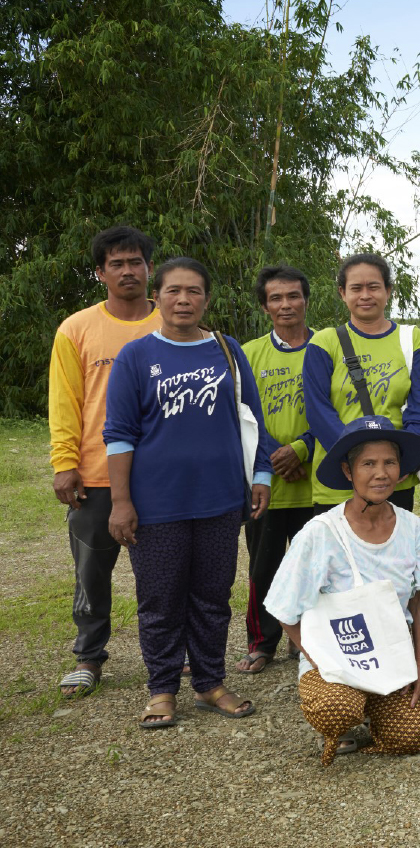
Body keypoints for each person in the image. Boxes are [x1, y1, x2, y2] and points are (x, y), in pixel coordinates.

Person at [102, 257, 272, 729]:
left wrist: (262, 476)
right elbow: (118, 433)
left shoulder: (227, 350)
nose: (183, 300)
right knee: (160, 598)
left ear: (206, 299)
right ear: (157, 297)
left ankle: (210, 682)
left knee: (213, 596)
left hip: (220, 501)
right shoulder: (136, 357)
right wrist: (121, 501)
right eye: (174, 291)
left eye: (193, 291)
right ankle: (161, 690)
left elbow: (252, 420)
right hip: (158, 505)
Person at [265, 416, 420, 765]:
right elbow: (283, 608)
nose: (381, 473)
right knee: (336, 708)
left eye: (390, 462)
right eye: (368, 464)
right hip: (336, 657)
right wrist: (323, 662)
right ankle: (343, 716)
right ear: (348, 471)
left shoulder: (412, 527)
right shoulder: (321, 533)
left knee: (413, 734)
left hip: (389, 658)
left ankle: (374, 709)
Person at [49, 225, 160, 699]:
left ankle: (169, 653)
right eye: (117, 263)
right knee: (92, 571)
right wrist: (64, 462)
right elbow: (65, 401)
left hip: (160, 476)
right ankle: (89, 656)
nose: (128, 271)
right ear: (100, 273)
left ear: (150, 268)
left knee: (161, 571)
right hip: (95, 475)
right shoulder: (76, 329)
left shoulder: (173, 324)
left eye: (136, 261)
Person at [303, 253, 420, 512]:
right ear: (342, 293)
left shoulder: (411, 339)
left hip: (393, 477)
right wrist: (354, 461)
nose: (365, 295)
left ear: (388, 291)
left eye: (374, 287)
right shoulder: (324, 342)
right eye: (356, 288)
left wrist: (404, 460)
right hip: (340, 476)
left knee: (392, 549)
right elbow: (318, 411)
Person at [236, 265, 319, 675]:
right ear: (265, 305)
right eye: (275, 298)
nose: (285, 304)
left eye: (293, 296)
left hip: (319, 480)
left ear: (307, 299)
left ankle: (312, 640)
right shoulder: (249, 354)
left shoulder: (330, 348)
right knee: (263, 565)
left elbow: (339, 411)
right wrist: (274, 458)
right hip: (266, 481)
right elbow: (243, 414)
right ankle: (263, 641)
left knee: (317, 567)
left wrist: (303, 450)